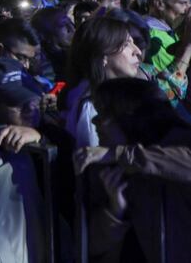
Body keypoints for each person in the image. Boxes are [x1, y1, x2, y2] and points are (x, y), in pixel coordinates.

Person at [75, 78, 191, 262]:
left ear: (130, 116)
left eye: (103, 113)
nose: (95, 121)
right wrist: (114, 211)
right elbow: (91, 246)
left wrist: (120, 155)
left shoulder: (177, 142)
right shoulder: (106, 167)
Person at [64, 16, 142, 147]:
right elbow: (94, 162)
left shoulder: (121, 96)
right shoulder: (93, 110)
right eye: (126, 44)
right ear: (102, 55)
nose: (137, 51)